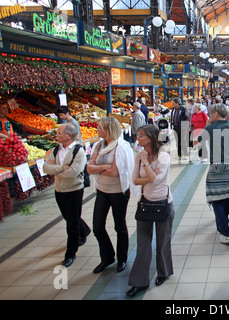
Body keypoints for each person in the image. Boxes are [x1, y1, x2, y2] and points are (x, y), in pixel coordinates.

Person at [127, 125, 175, 297]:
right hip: (145, 203)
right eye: (137, 135)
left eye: (141, 136)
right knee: (143, 244)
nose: (137, 138)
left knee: (163, 242)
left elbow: (155, 181)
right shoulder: (139, 156)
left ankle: (163, 272)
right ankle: (139, 281)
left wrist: (146, 165)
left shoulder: (163, 156)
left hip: (163, 204)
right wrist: (148, 174)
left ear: (150, 138)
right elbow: (135, 179)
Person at [87, 117, 135, 274]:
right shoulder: (98, 145)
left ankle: (122, 259)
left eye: (100, 128)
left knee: (119, 225)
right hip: (102, 190)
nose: (97, 130)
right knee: (97, 226)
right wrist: (104, 167)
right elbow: (88, 168)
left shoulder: (121, 146)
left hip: (118, 192)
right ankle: (107, 257)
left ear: (108, 129)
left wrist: (97, 167)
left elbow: (115, 172)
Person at [197, 103, 229, 244]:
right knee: (226, 197)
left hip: (216, 168)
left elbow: (196, 141)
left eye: (210, 113)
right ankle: (223, 224)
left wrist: (207, 124)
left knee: (216, 199)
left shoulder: (210, 128)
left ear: (215, 114)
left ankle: (225, 232)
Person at [43, 124, 91, 268]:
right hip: (59, 190)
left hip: (74, 190)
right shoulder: (55, 150)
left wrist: (56, 170)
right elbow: (46, 168)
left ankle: (70, 253)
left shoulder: (79, 152)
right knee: (69, 217)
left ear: (68, 135)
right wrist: (61, 168)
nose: (56, 135)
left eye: (59, 133)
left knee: (71, 223)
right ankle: (85, 230)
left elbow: (73, 173)